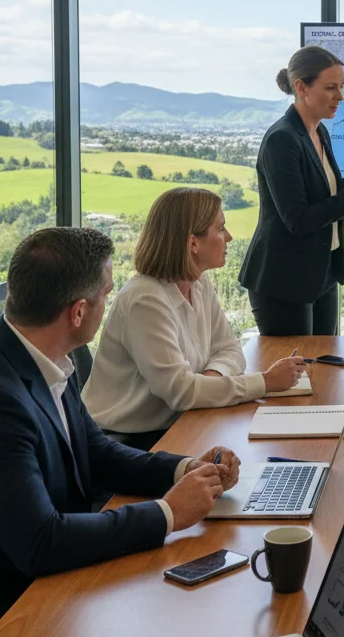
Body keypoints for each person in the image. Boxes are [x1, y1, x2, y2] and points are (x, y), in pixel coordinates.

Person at [0, 227, 241, 637]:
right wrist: (169, 513)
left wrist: (184, 470)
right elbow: (40, 542)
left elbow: (97, 451)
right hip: (12, 616)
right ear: (78, 312)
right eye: (107, 295)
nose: (109, 306)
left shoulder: (42, 357)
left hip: (64, 572)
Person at [85, 188, 305, 448]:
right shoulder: (146, 300)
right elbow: (182, 392)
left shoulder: (198, 282)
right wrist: (265, 382)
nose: (229, 237)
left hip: (181, 421)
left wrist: (208, 381)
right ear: (192, 243)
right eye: (221, 229)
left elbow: (230, 350)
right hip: (126, 443)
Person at [239, 46, 344, 335]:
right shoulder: (282, 140)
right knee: (300, 376)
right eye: (330, 87)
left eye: (341, 86)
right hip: (284, 280)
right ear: (301, 87)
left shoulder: (317, 130)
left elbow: (326, 193)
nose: (340, 96)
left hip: (320, 272)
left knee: (326, 367)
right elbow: (297, 219)